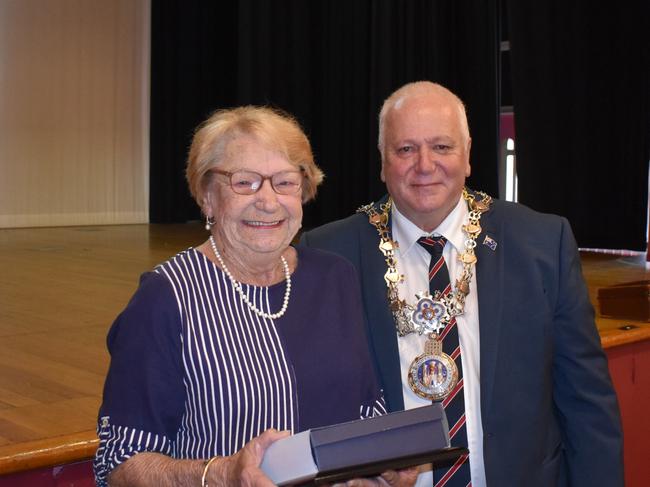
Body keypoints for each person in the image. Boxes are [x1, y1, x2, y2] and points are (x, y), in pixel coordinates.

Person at [300, 81, 624, 487]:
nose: (424, 164)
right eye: (405, 149)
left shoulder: (541, 242)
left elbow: (587, 405)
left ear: (467, 156)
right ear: (382, 162)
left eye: (441, 147)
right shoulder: (331, 253)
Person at [93, 106, 418, 487]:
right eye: (244, 182)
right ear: (207, 197)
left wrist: (382, 471)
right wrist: (221, 475)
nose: (267, 201)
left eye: (284, 182)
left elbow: (365, 408)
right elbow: (119, 463)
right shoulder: (165, 299)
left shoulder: (335, 278)